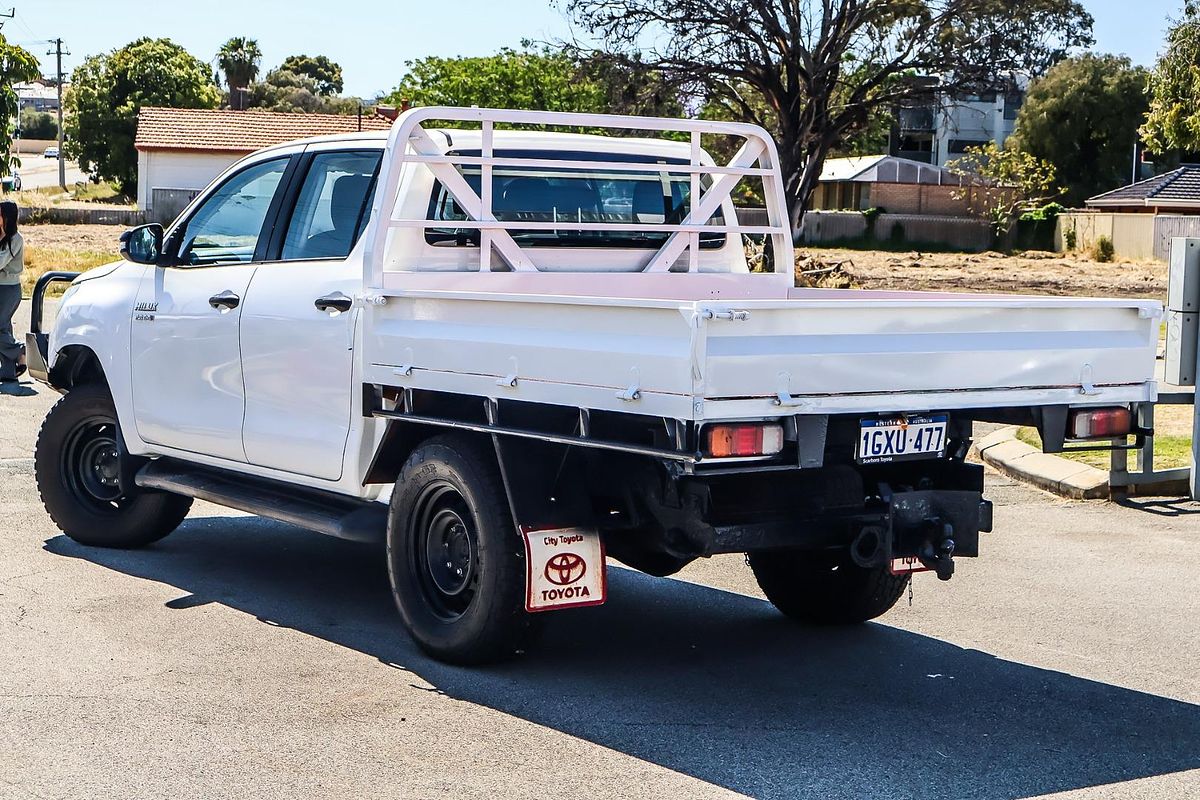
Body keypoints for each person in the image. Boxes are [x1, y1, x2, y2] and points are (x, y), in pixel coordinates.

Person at [0, 200, 26, 383]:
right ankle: (9, 371)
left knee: (0, 328)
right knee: (4, 329)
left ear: (7, 217)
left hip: (9, 290)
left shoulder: (16, 239)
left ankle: (21, 350)